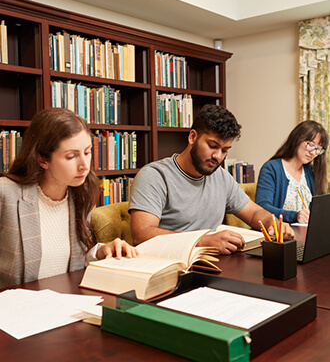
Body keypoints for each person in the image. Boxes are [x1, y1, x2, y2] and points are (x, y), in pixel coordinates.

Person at [0, 108, 138, 288]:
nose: (84, 166)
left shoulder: (80, 193)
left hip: (66, 304)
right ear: (42, 159)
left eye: (87, 152)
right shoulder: (6, 193)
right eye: (71, 156)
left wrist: (102, 251)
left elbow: (74, 261)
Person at [129, 104, 294, 254]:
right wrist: (203, 241)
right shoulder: (154, 176)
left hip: (209, 264)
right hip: (168, 266)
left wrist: (272, 223)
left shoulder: (220, 176)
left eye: (225, 150)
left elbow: (254, 213)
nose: (218, 157)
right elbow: (142, 234)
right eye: (213, 146)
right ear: (193, 137)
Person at [256, 120, 329, 224]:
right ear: (297, 139)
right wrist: (295, 216)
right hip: (280, 234)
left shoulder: (310, 172)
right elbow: (262, 208)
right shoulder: (271, 168)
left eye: (318, 149)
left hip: (305, 234)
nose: (313, 152)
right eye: (310, 144)